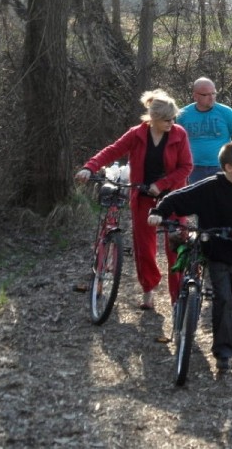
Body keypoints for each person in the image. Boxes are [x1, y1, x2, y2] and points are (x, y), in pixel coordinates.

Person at [148, 142, 232, 372]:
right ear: (228, 167)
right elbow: (177, 198)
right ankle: (223, 353)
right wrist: (158, 212)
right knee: (223, 301)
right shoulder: (209, 188)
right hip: (216, 254)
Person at [75, 89, 192, 309]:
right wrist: (90, 167)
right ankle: (148, 289)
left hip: (174, 196)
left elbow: (186, 167)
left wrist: (162, 185)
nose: (171, 122)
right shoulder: (137, 134)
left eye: (173, 118)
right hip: (143, 196)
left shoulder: (179, 134)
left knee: (176, 246)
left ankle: (178, 296)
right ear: (154, 119)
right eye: (167, 119)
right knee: (144, 247)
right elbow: (112, 151)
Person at [177, 77, 232, 184]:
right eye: (206, 95)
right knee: (196, 199)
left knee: (221, 199)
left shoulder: (226, 112)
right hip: (192, 168)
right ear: (195, 96)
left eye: (214, 93)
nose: (211, 98)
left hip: (220, 167)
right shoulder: (182, 115)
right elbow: (174, 141)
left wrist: (227, 154)